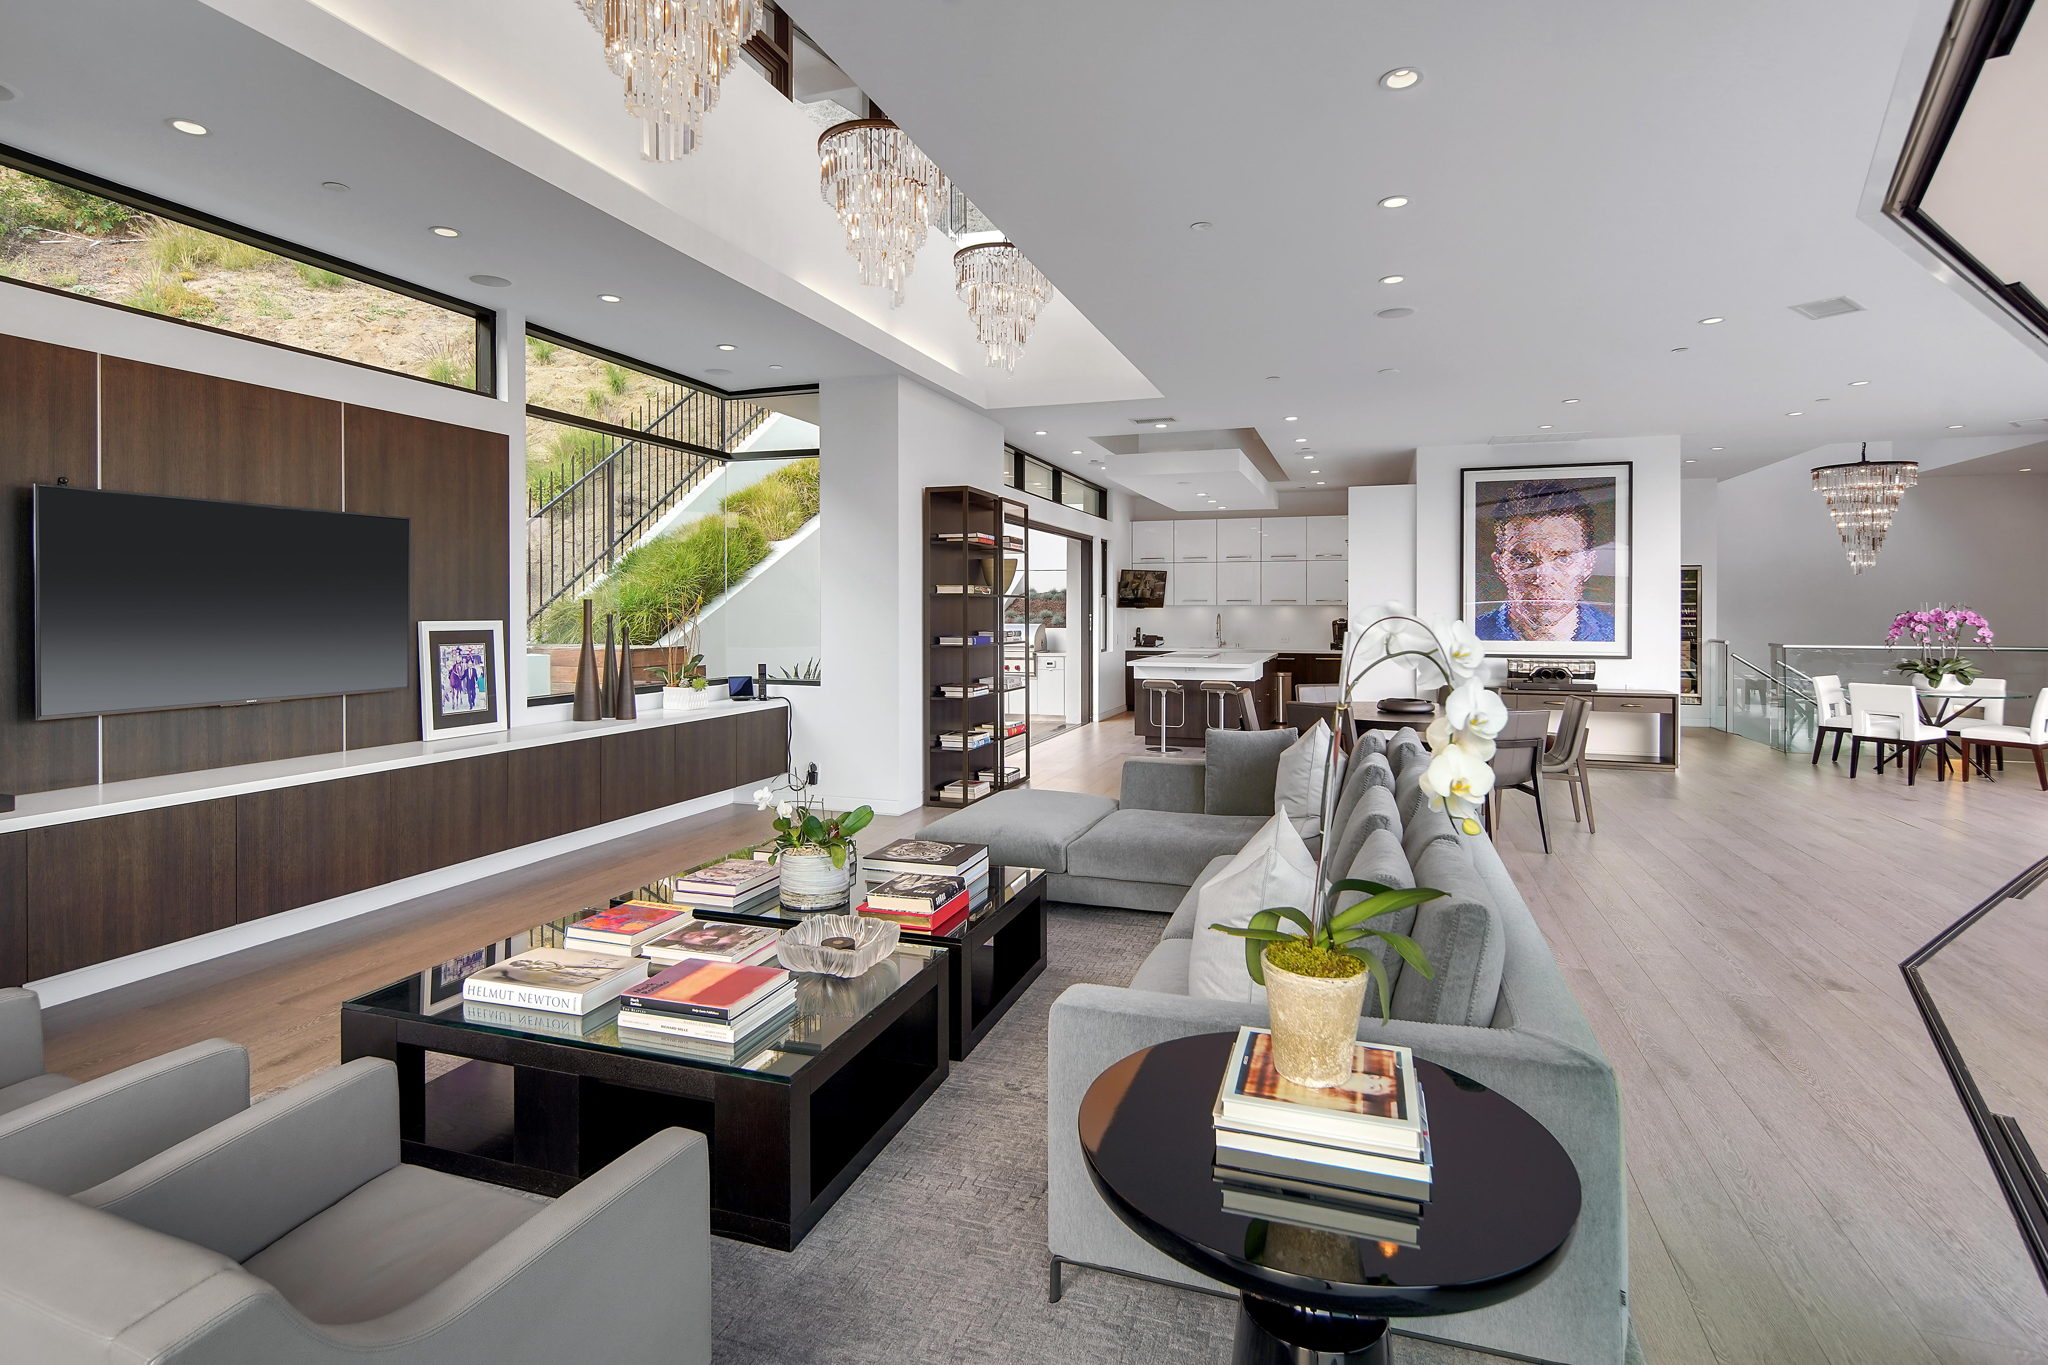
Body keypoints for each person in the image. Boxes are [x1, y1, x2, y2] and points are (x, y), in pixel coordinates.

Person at [1474, 480, 1616, 642]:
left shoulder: (1615, 634)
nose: (1543, 579)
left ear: (1588, 564)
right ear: (1499, 565)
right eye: (1523, 559)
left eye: (1563, 559)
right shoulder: (1473, 635)